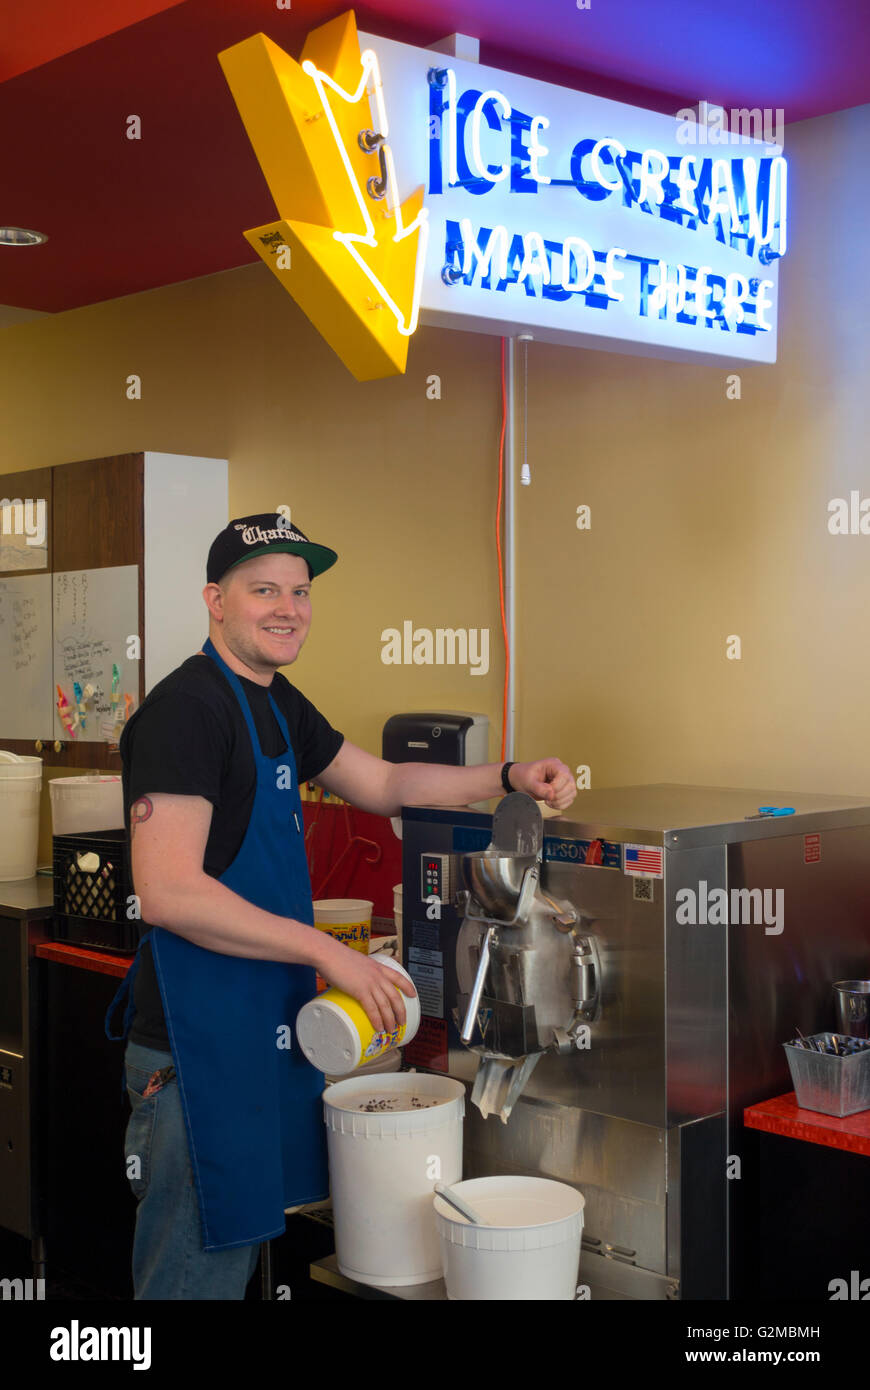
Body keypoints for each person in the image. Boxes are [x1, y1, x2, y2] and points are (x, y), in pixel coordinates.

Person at [105, 512, 578, 1300]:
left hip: (260, 1037)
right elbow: (167, 891)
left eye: (300, 591)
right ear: (215, 601)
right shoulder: (186, 712)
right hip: (195, 1055)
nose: (288, 607)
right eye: (264, 590)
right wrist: (331, 953)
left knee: (235, 1264)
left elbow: (389, 785)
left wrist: (510, 774)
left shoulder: (276, 700)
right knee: (191, 1279)